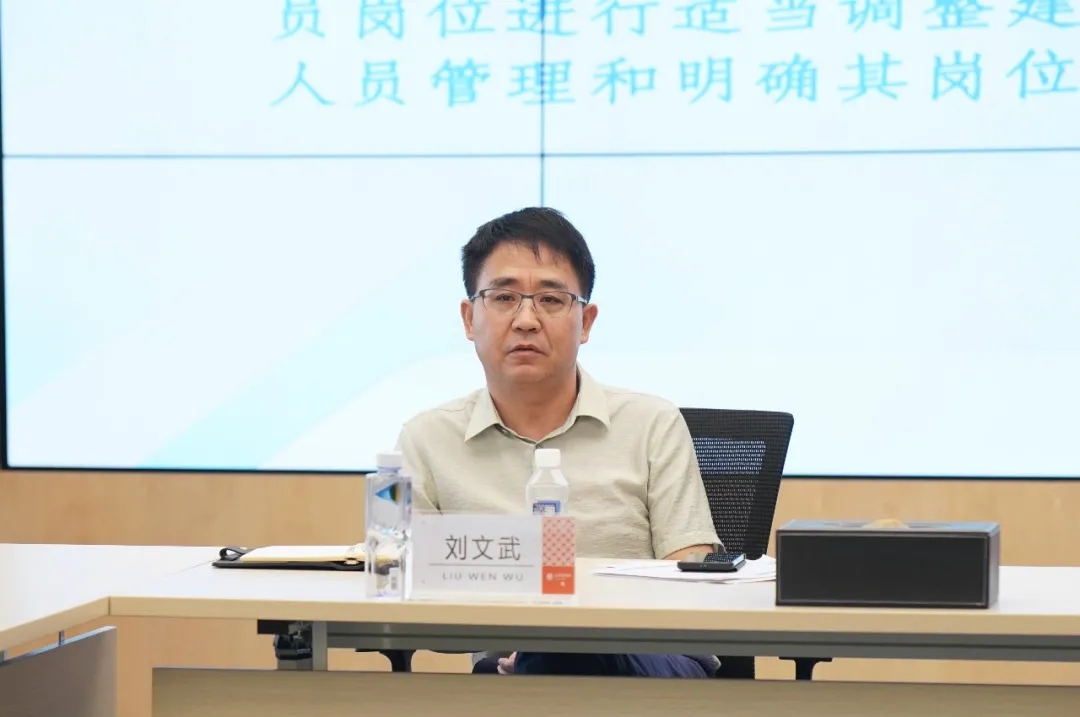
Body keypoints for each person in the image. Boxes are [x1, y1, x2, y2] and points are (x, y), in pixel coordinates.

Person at [397, 207, 722, 678]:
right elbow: (413, 602)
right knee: (539, 660)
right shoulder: (428, 440)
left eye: (551, 299)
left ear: (585, 322)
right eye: (504, 297)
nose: (526, 320)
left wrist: (568, 638)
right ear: (469, 319)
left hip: (652, 662)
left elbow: (689, 580)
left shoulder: (652, 424)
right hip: (505, 670)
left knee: (561, 652)